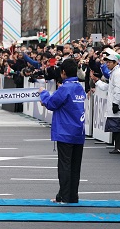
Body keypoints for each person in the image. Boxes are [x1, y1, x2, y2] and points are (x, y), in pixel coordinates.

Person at [38, 58, 86, 204]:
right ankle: (72, 196)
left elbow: (52, 103)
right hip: (79, 131)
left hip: (66, 131)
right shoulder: (79, 87)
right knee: (75, 166)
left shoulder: (65, 88)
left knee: (64, 166)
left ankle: (64, 197)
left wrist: (43, 93)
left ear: (63, 73)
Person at [91, 53, 120, 154]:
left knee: (119, 125)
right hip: (115, 102)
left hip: (118, 103)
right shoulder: (113, 72)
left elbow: (119, 89)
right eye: (106, 62)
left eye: (109, 62)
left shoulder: (117, 73)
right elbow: (108, 87)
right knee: (116, 125)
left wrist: (116, 103)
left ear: (115, 63)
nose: (107, 64)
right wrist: (97, 81)